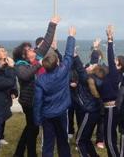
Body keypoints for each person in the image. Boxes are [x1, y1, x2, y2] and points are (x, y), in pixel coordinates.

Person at [13, 16, 59, 157]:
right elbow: (25, 75)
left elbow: (46, 42)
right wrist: (39, 63)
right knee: (32, 129)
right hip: (29, 103)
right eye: (30, 49)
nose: (34, 50)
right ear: (24, 55)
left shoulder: (37, 57)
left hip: (37, 100)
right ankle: (29, 153)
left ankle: (19, 153)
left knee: (31, 128)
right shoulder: (20, 65)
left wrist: (52, 25)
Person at [34, 25, 77, 157]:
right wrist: (71, 36)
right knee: (63, 141)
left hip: (47, 115)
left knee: (48, 143)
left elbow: (38, 101)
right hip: (61, 112)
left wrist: (37, 120)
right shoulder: (63, 71)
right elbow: (69, 55)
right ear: (58, 63)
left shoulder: (40, 79)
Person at [72, 53, 102, 157]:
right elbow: (92, 64)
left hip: (88, 112)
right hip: (94, 111)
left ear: (93, 71)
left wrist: (75, 56)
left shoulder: (88, 79)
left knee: (80, 141)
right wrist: (95, 49)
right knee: (87, 138)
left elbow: (80, 69)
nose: (88, 66)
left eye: (90, 66)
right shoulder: (97, 80)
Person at [98, 25, 122, 157]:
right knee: (109, 138)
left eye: (116, 61)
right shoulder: (111, 74)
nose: (113, 61)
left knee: (109, 139)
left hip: (112, 109)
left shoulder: (114, 73)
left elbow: (110, 55)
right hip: (108, 109)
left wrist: (110, 39)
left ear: (119, 66)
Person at [0, 45, 18, 146]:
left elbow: (12, 79)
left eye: (5, 50)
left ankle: (1, 136)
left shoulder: (8, 65)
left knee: (3, 115)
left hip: (6, 94)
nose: (5, 52)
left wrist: (14, 91)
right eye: (2, 51)